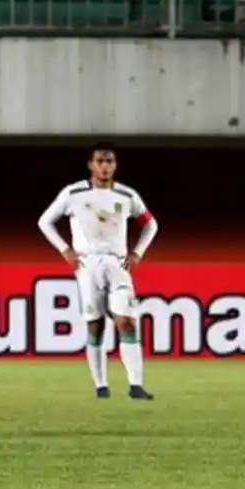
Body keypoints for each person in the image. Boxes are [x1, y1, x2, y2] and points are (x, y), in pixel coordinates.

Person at [36, 142, 159, 399]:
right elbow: (45, 222)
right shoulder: (73, 193)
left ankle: (135, 385)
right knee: (95, 325)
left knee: (126, 322)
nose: (105, 166)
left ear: (115, 165)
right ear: (90, 165)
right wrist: (64, 250)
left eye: (110, 161)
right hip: (87, 264)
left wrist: (138, 253)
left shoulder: (127, 196)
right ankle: (101, 385)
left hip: (118, 264)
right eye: (100, 161)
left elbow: (150, 224)